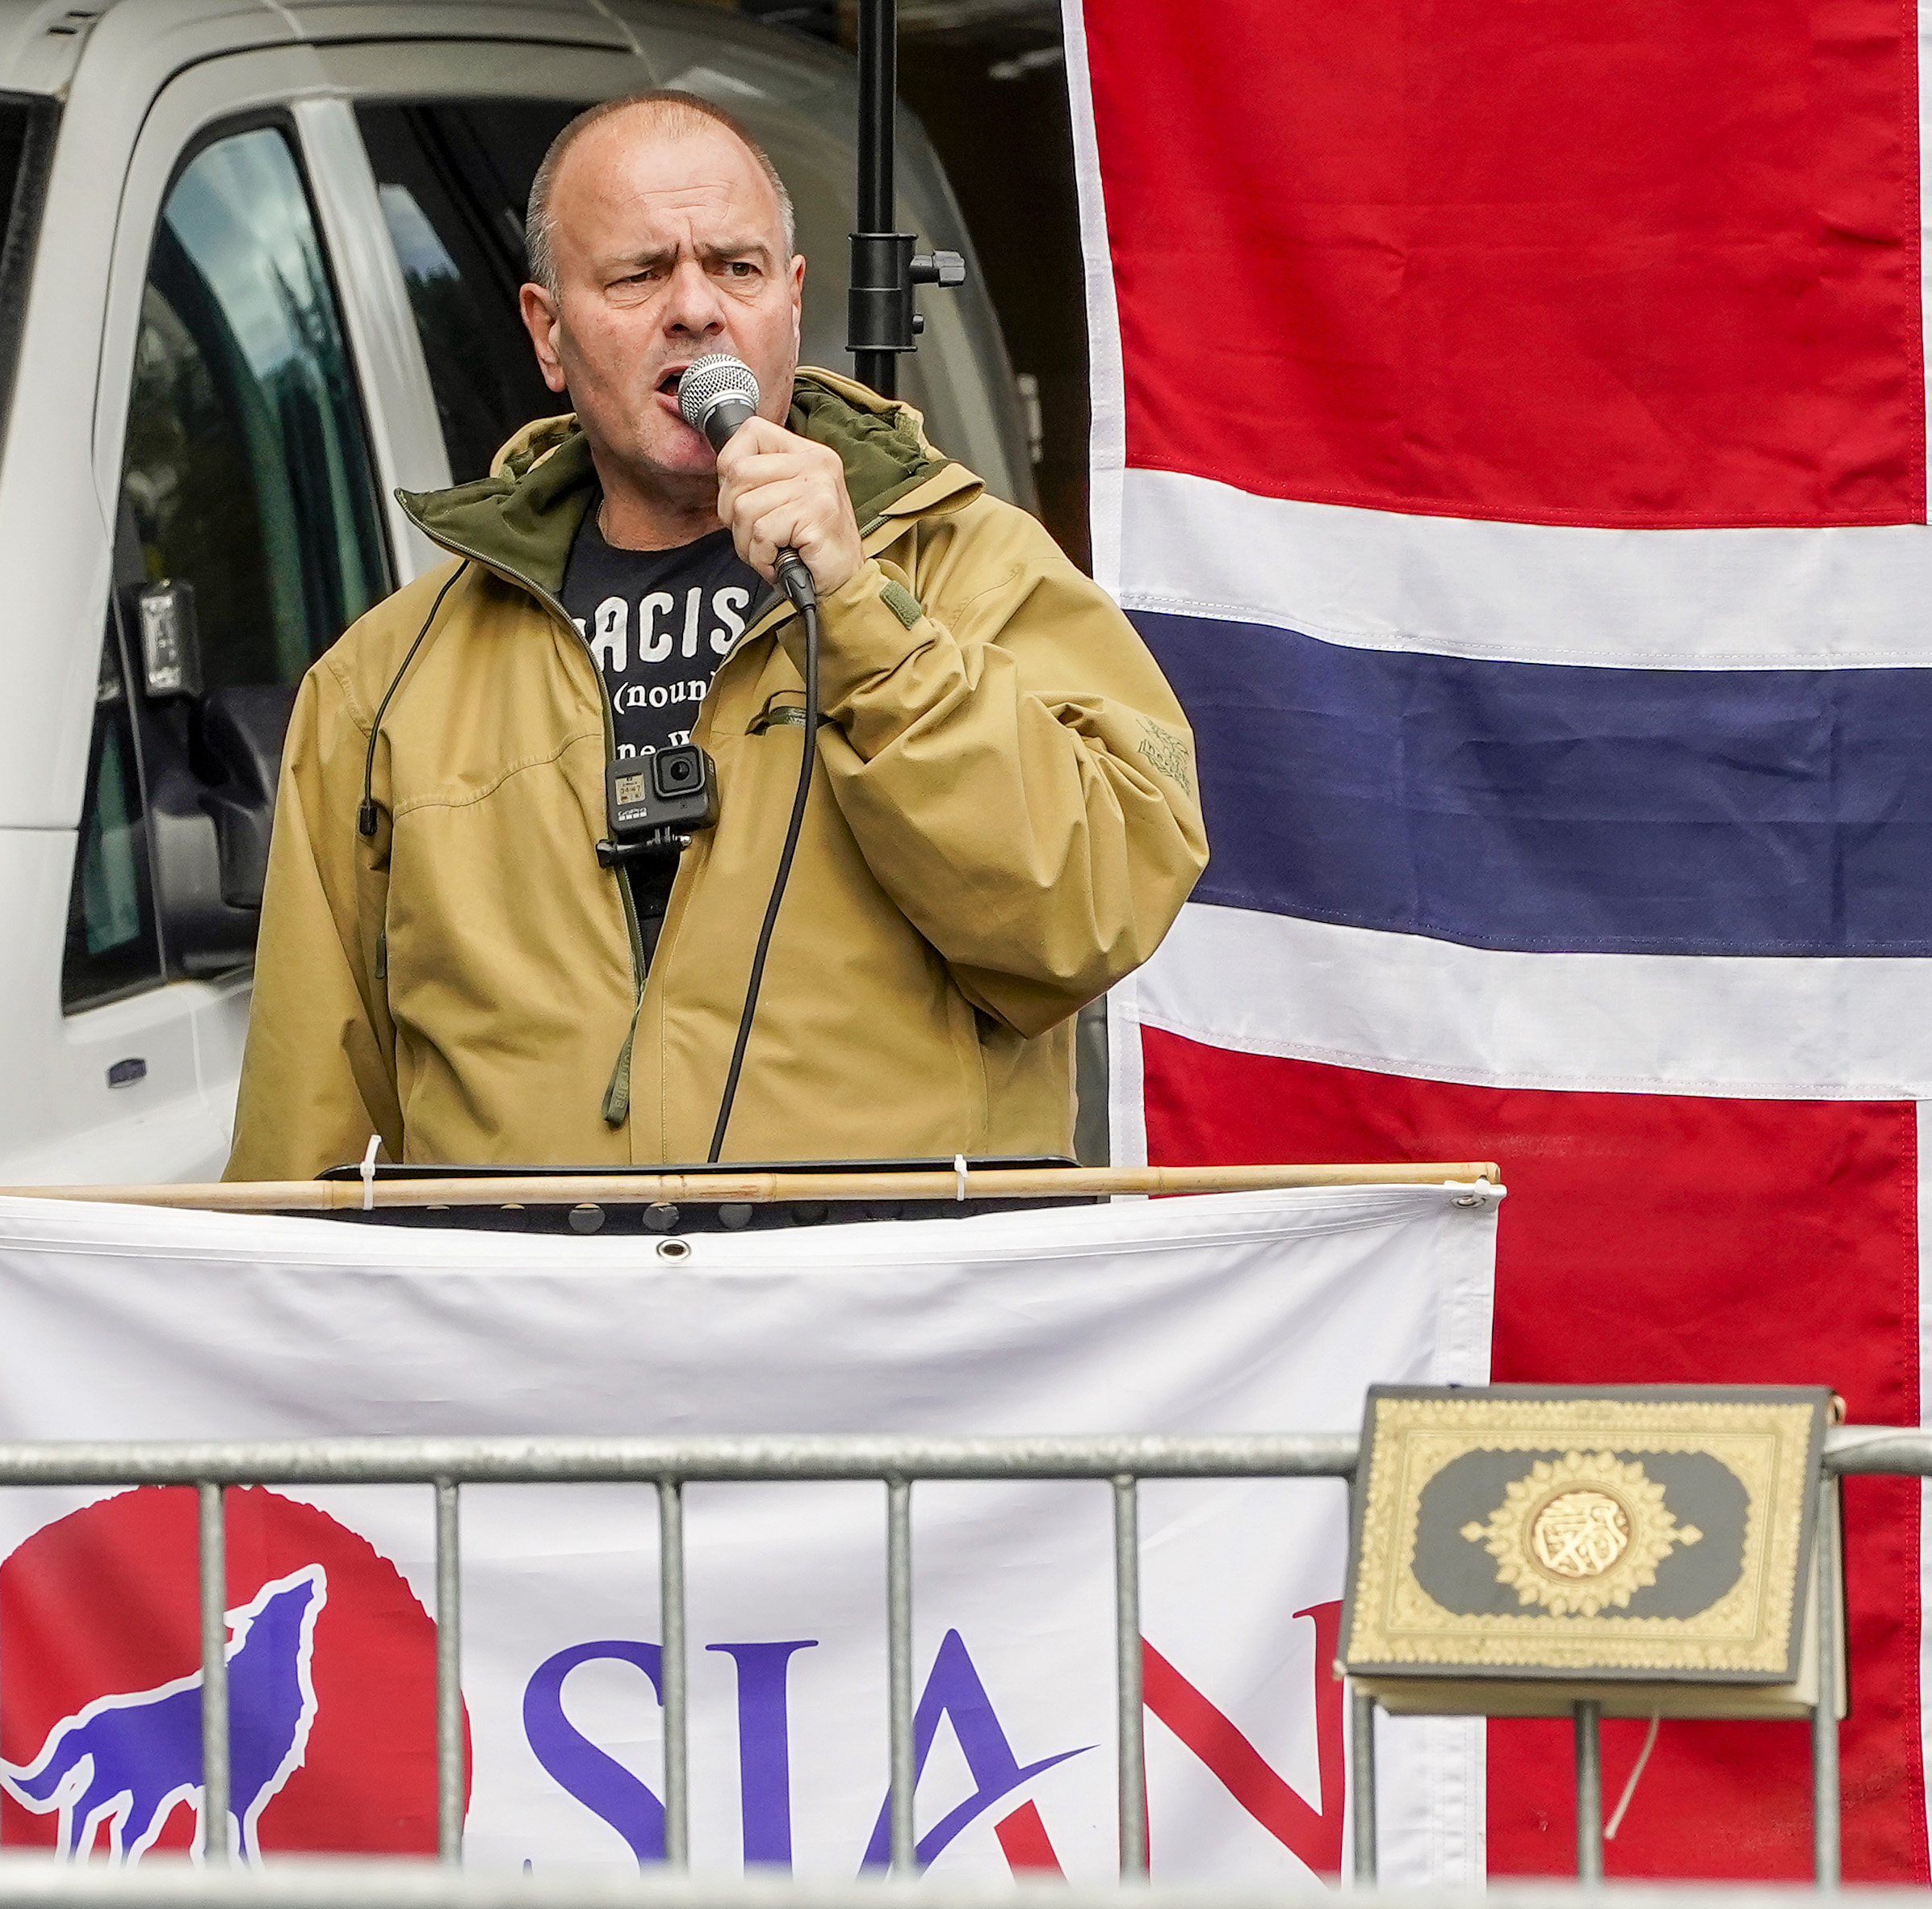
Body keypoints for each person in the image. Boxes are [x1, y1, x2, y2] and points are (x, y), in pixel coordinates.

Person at [224, 90, 1206, 1175]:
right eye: (640, 274)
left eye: (734, 268)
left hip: (887, 1320)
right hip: (531, 1328)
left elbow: (1089, 911)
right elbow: (305, 1132)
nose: (694, 308)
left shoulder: (975, 567)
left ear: (788, 304)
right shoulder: (386, 677)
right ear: (548, 334)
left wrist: (859, 612)